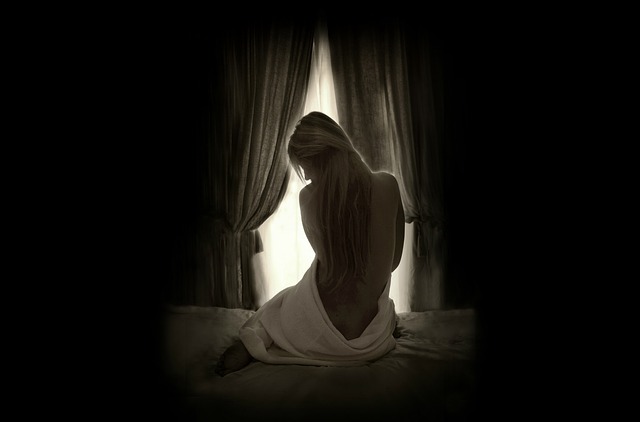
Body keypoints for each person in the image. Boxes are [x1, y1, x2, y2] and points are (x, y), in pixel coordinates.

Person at [215, 111, 404, 376]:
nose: (305, 175)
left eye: (305, 168)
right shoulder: (389, 184)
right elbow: (393, 263)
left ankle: (254, 341)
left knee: (276, 307)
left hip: (323, 333)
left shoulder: (308, 198)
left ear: (314, 160)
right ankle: (382, 324)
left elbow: (327, 269)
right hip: (370, 342)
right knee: (385, 308)